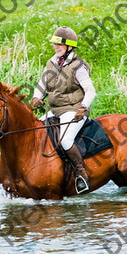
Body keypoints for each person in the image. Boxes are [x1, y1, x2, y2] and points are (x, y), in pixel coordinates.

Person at [31, 26, 96, 194]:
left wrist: (83, 108)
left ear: (69, 47)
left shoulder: (78, 66)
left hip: (74, 110)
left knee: (66, 140)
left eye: (59, 45)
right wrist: (36, 97)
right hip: (55, 110)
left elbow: (90, 90)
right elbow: (41, 85)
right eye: (55, 44)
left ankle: (81, 175)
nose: (56, 47)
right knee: (35, 130)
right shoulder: (51, 63)